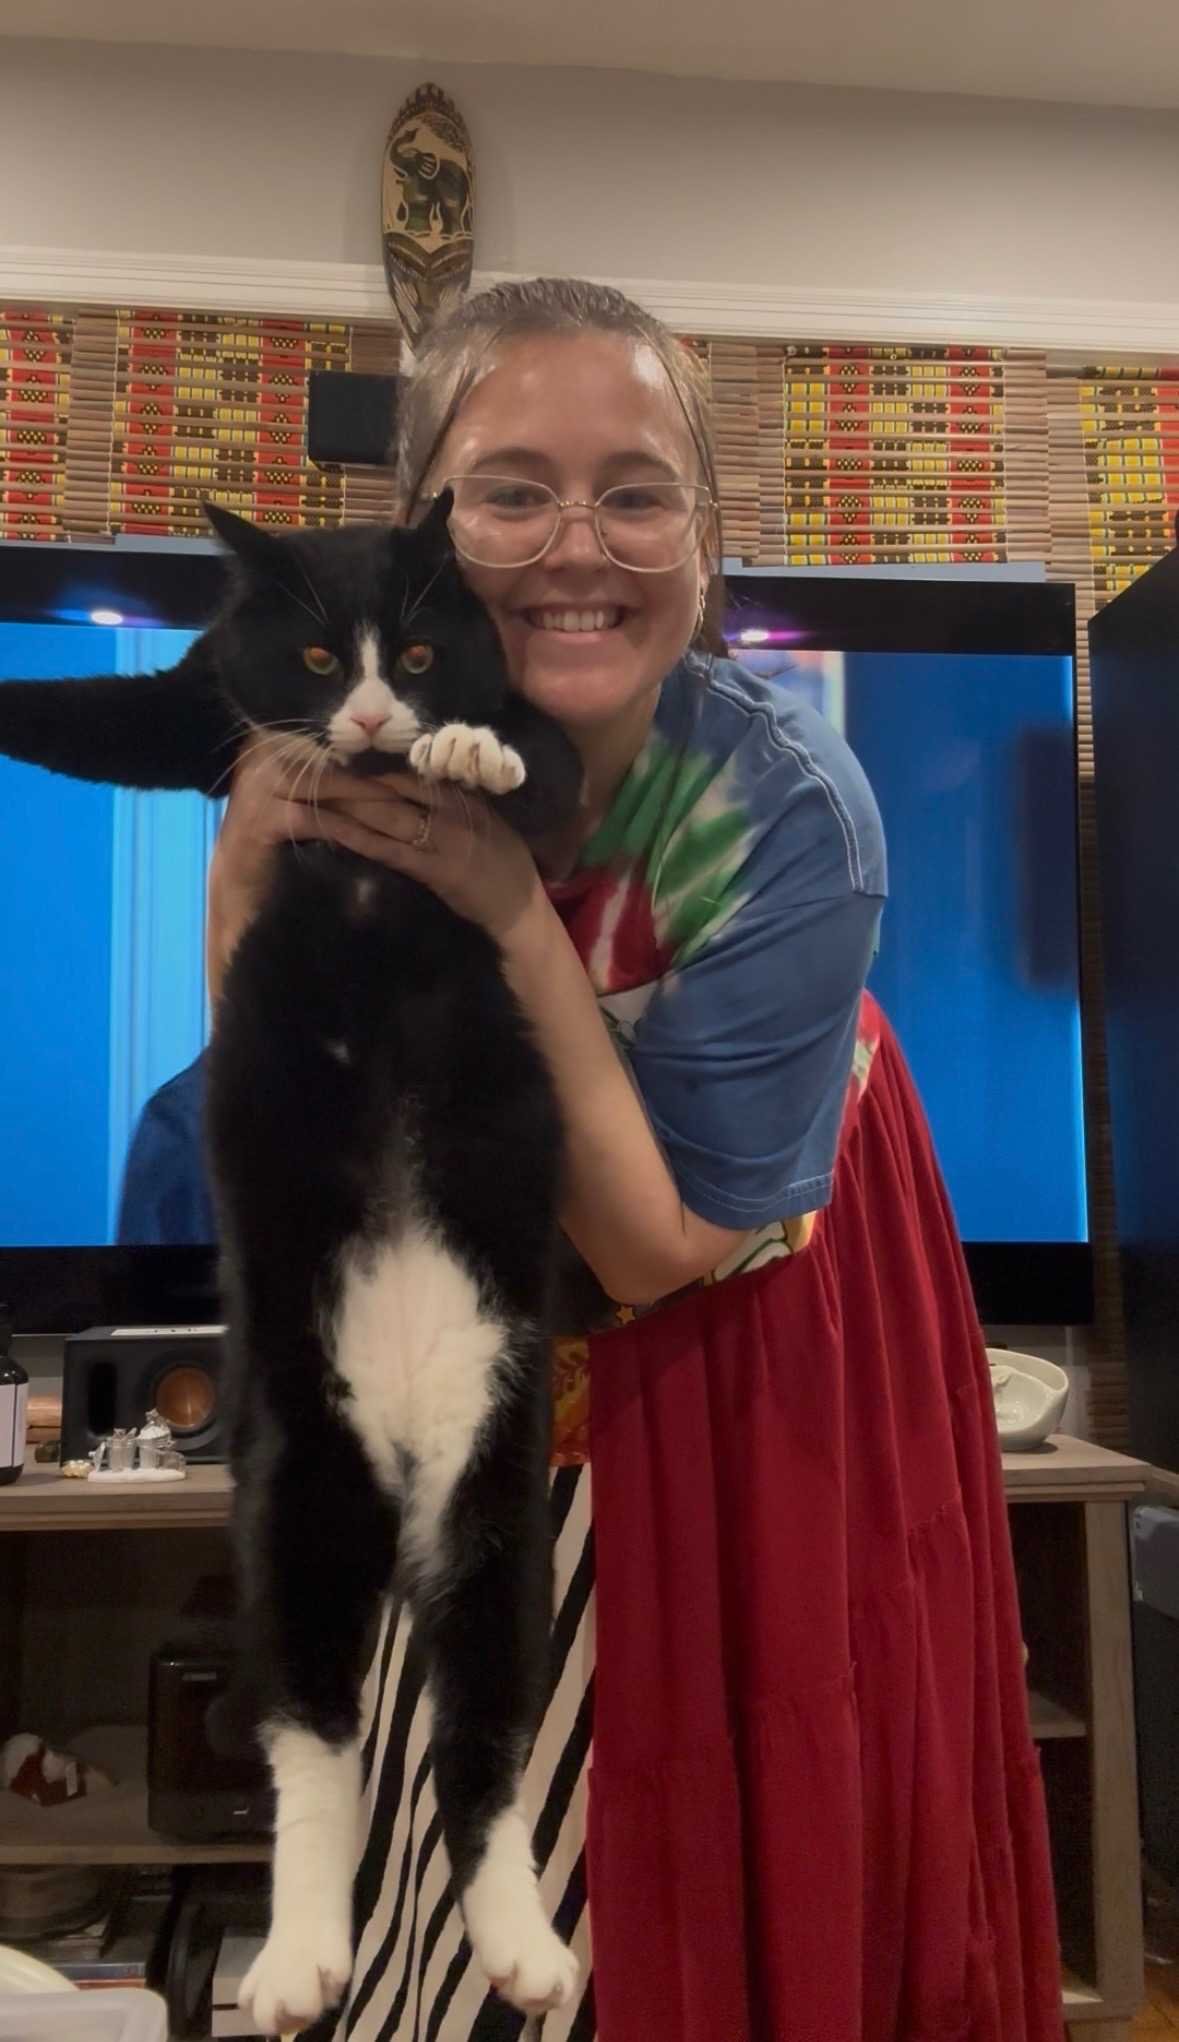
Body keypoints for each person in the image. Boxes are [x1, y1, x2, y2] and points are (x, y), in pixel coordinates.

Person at [205, 279, 1065, 2042]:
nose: (575, 547)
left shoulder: (774, 809)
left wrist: (506, 907)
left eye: (638, 490)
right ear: (428, 526)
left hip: (733, 1325)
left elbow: (665, 1242)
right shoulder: (342, 727)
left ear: (706, 533)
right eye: (512, 490)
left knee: (725, 1811)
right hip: (480, 1315)